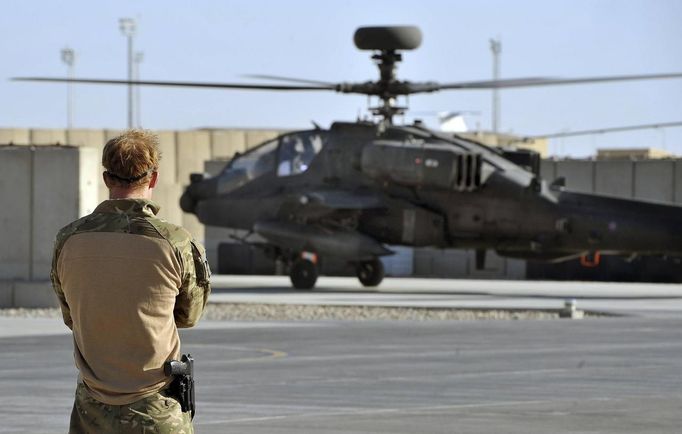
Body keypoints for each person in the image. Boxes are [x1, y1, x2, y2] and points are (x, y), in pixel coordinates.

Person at [50, 129, 211, 433]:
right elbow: (189, 315)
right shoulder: (175, 242)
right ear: (153, 179)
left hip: (91, 411)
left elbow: (71, 316)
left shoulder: (69, 239)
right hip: (156, 410)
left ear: (107, 178)